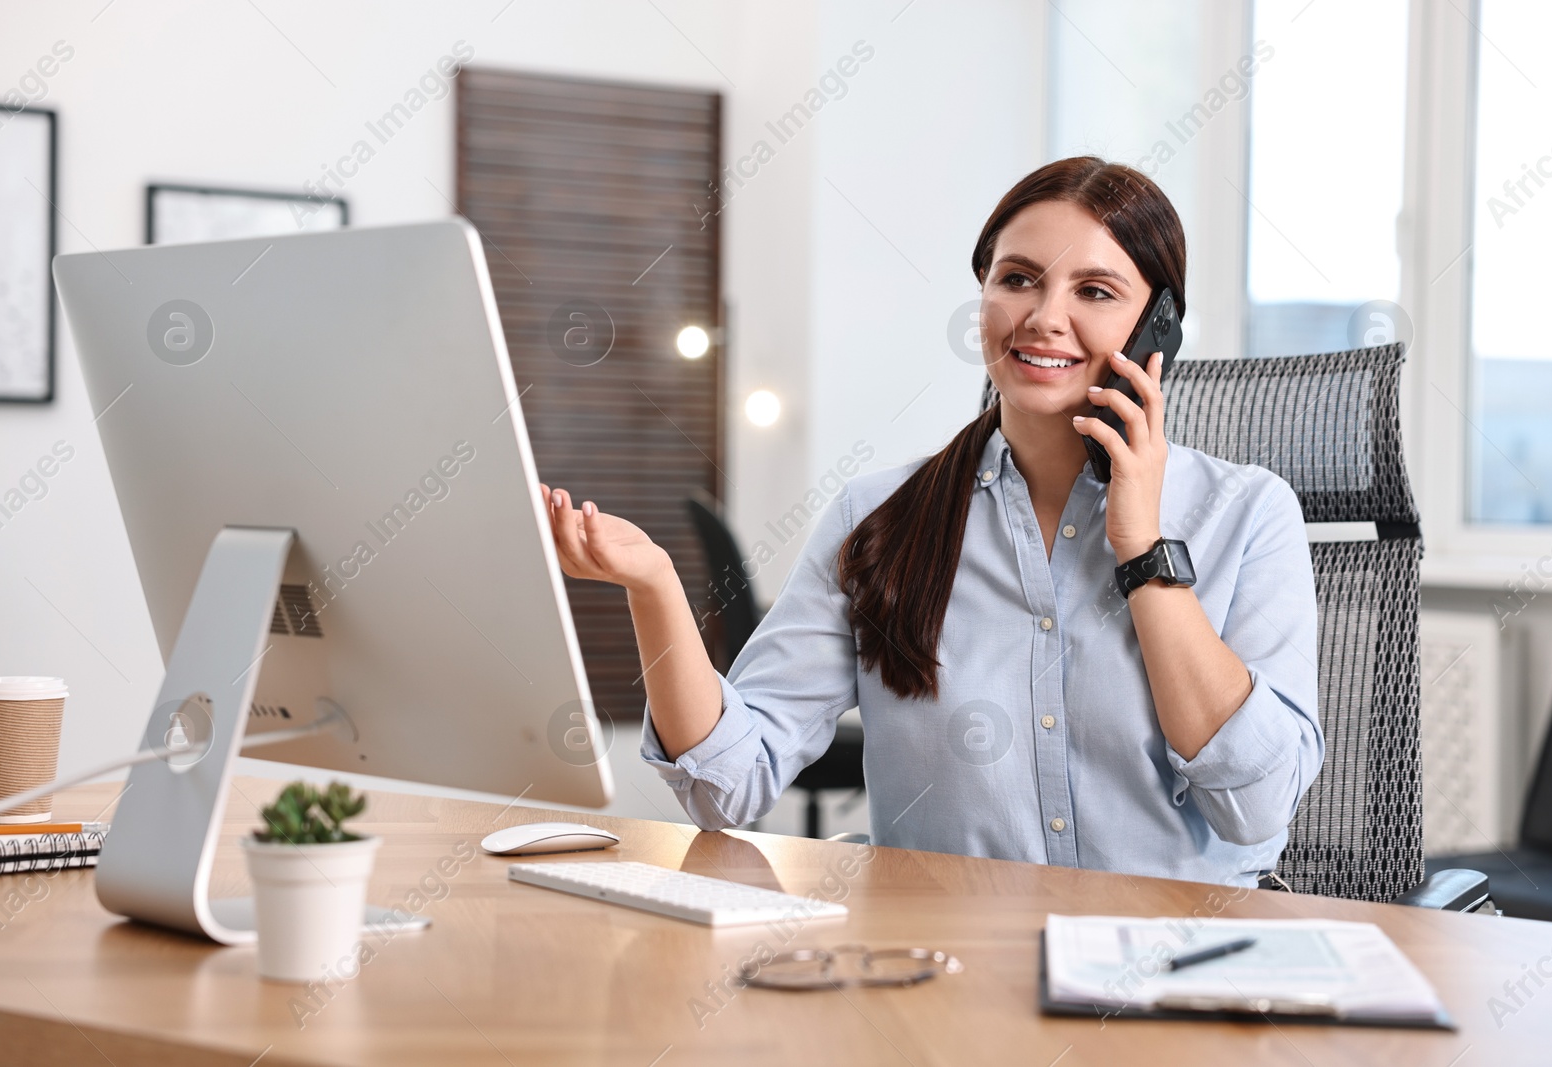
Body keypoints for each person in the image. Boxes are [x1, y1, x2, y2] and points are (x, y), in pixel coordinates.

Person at [540, 156, 1322, 888]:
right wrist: (652, 585)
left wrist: (1143, 552)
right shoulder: (881, 517)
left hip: (1178, 980)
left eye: (1095, 291)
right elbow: (727, 787)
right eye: (1019, 279)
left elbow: (1254, 812)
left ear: (1159, 327)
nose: (1046, 318)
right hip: (951, 976)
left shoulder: (1247, 516)